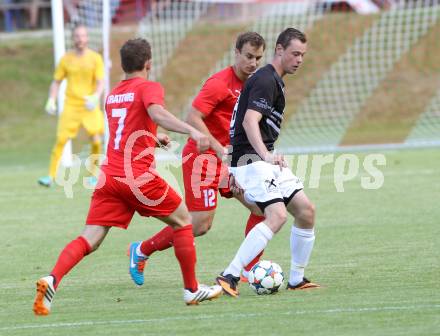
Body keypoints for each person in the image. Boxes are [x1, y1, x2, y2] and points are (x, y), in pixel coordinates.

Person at [33, 38, 223, 316]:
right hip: (138, 177)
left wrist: (155, 138)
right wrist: (193, 131)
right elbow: (155, 111)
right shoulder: (149, 87)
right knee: (185, 221)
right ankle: (192, 289)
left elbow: (127, 129)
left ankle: (52, 279)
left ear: (123, 65)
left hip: (110, 177)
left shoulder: (113, 95)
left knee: (91, 238)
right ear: (148, 63)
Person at [126, 32, 267, 287]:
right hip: (201, 159)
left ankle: (250, 268)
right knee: (200, 225)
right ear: (236, 53)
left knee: (261, 207)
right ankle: (142, 250)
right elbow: (193, 117)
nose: (253, 63)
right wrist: (217, 148)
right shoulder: (219, 83)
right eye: (248, 56)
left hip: (228, 161)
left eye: (258, 58)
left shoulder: (256, 83)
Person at [215, 28, 320, 297]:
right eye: (295, 53)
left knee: (306, 211)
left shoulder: (273, 79)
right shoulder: (265, 79)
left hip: (261, 158)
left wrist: (268, 157)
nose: (299, 59)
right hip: (250, 160)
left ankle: (296, 279)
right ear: (280, 50)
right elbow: (250, 121)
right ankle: (230, 275)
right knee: (277, 215)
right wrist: (266, 156)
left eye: (303, 55)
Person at [38, 25, 104, 188]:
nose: (80, 39)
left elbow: (100, 82)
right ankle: (50, 176)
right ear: (72, 39)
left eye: (82, 36)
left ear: (87, 38)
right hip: (71, 105)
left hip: (89, 105)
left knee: (96, 139)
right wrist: (51, 99)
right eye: (77, 36)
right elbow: (56, 81)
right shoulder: (66, 59)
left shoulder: (95, 58)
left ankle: (93, 176)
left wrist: (95, 97)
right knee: (61, 140)